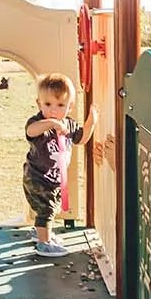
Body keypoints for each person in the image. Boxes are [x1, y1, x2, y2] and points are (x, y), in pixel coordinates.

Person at [23, 71, 96, 255]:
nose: (53, 110)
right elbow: (31, 131)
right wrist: (51, 124)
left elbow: (81, 139)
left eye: (60, 105)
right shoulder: (38, 122)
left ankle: (41, 233)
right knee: (46, 209)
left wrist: (91, 122)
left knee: (51, 208)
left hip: (54, 179)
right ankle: (44, 243)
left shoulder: (69, 125)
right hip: (37, 177)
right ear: (39, 103)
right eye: (48, 104)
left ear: (70, 107)